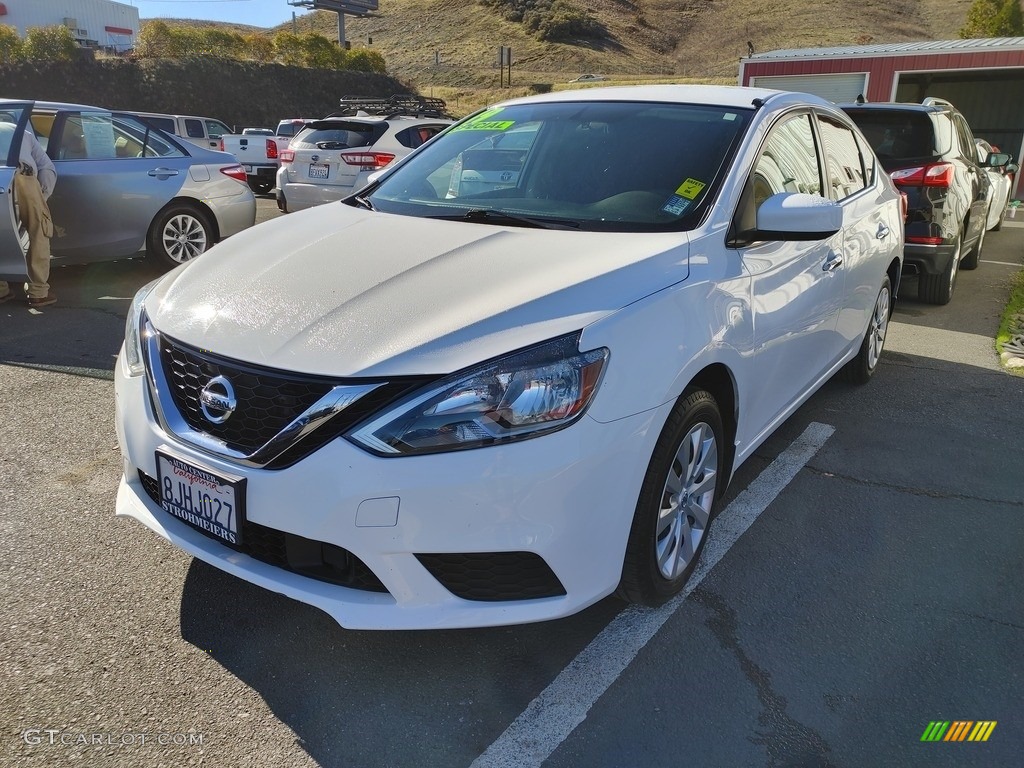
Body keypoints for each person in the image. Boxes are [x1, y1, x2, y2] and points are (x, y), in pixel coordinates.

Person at [0, 117, 57, 307]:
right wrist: (42, 196)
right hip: (24, 177)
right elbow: (46, 166)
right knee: (38, 231)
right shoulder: (20, 131)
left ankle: (1, 289)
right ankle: (38, 292)